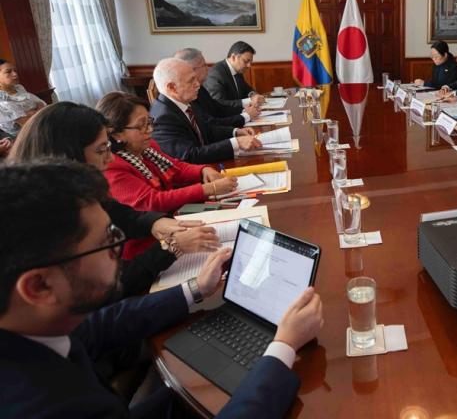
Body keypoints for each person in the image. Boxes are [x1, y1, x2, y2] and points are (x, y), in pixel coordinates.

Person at [0, 161, 324, 418]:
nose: (120, 247)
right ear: (40, 286)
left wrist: (196, 287)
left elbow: (100, 326)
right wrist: (283, 346)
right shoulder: (45, 406)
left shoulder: (30, 324)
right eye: (106, 242)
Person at [8, 101, 221, 295]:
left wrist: (156, 222)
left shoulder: (78, 188)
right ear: (67, 156)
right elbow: (112, 285)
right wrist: (171, 247)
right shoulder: (45, 220)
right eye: (102, 150)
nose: (109, 158)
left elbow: (121, 213)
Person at [97, 92, 239, 259]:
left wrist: (203, 170)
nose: (149, 130)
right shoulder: (112, 166)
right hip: (150, 247)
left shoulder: (147, 147)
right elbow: (152, 202)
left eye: (149, 122)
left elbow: (176, 167)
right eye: (141, 125)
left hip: (174, 222)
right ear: (116, 134)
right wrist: (208, 189)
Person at [149, 57, 262, 164]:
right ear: (172, 88)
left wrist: (235, 132)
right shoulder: (163, 118)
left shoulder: (184, 100)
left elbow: (206, 130)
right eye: (191, 81)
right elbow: (190, 155)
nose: (198, 84)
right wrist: (236, 143)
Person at [175, 47, 260, 128]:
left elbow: (217, 107)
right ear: (191, 69)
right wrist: (245, 116)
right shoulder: (187, 93)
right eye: (204, 65)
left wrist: (243, 110)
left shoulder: (199, 87)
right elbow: (210, 123)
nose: (208, 69)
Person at [204, 41, 266, 109]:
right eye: (246, 61)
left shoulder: (238, 70)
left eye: (250, 62)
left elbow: (246, 89)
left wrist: (253, 95)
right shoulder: (216, 74)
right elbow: (218, 103)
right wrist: (249, 101)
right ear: (233, 57)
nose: (249, 66)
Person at [0, 59, 46, 144]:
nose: (15, 74)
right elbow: (29, 123)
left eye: (15, 70)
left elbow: (41, 104)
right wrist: (36, 109)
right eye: (8, 72)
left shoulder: (19, 88)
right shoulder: (2, 101)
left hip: (43, 125)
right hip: (28, 139)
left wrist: (32, 112)